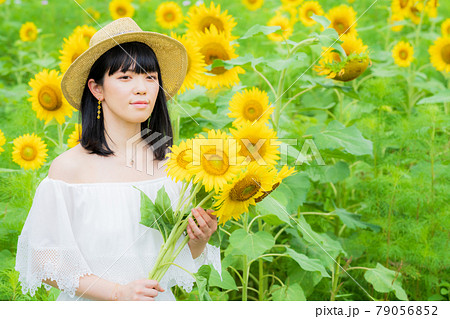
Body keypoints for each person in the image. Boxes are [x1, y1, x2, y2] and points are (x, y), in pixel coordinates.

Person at [14, 18, 221, 301]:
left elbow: (176, 258)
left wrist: (198, 239)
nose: (142, 88)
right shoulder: (70, 168)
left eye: (150, 77)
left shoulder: (171, 164)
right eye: (125, 77)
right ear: (96, 89)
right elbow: (45, 259)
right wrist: (116, 293)